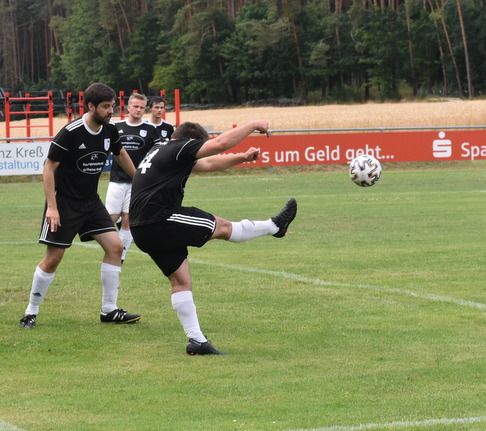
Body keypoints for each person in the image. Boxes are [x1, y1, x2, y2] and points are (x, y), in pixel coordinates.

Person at [129, 121, 297, 355]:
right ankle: (274, 226)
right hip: (160, 219)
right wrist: (254, 125)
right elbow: (220, 144)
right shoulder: (180, 147)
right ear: (192, 141)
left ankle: (197, 341)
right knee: (224, 227)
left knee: (181, 281)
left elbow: (208, 163)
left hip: (142, 228)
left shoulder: (162, 149)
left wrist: (241, 158)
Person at [19, 82, 141, 329]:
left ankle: (109, 310)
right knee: (54, 258)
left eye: (112, 106)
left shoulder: (110, 130)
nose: (111, 111)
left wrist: (140, 181)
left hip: (90, 202)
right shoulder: (71, 132)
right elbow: (48, 168)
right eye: (105, 107)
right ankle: (31, 311)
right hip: (64, 202)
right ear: (91, 106)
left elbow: (121, 154)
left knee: (115, 247)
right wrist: (52, 207)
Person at [106, 93, 157, 263]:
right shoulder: (116, 127)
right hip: (116, 180)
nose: (138, 110)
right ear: (128, 107)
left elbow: (156, 154)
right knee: (111, 218)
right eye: (135, 106)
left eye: (142, 107)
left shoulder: (151, 130)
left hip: (138, 182)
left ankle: (120, 256)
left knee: (129, 219)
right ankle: (113, 241)